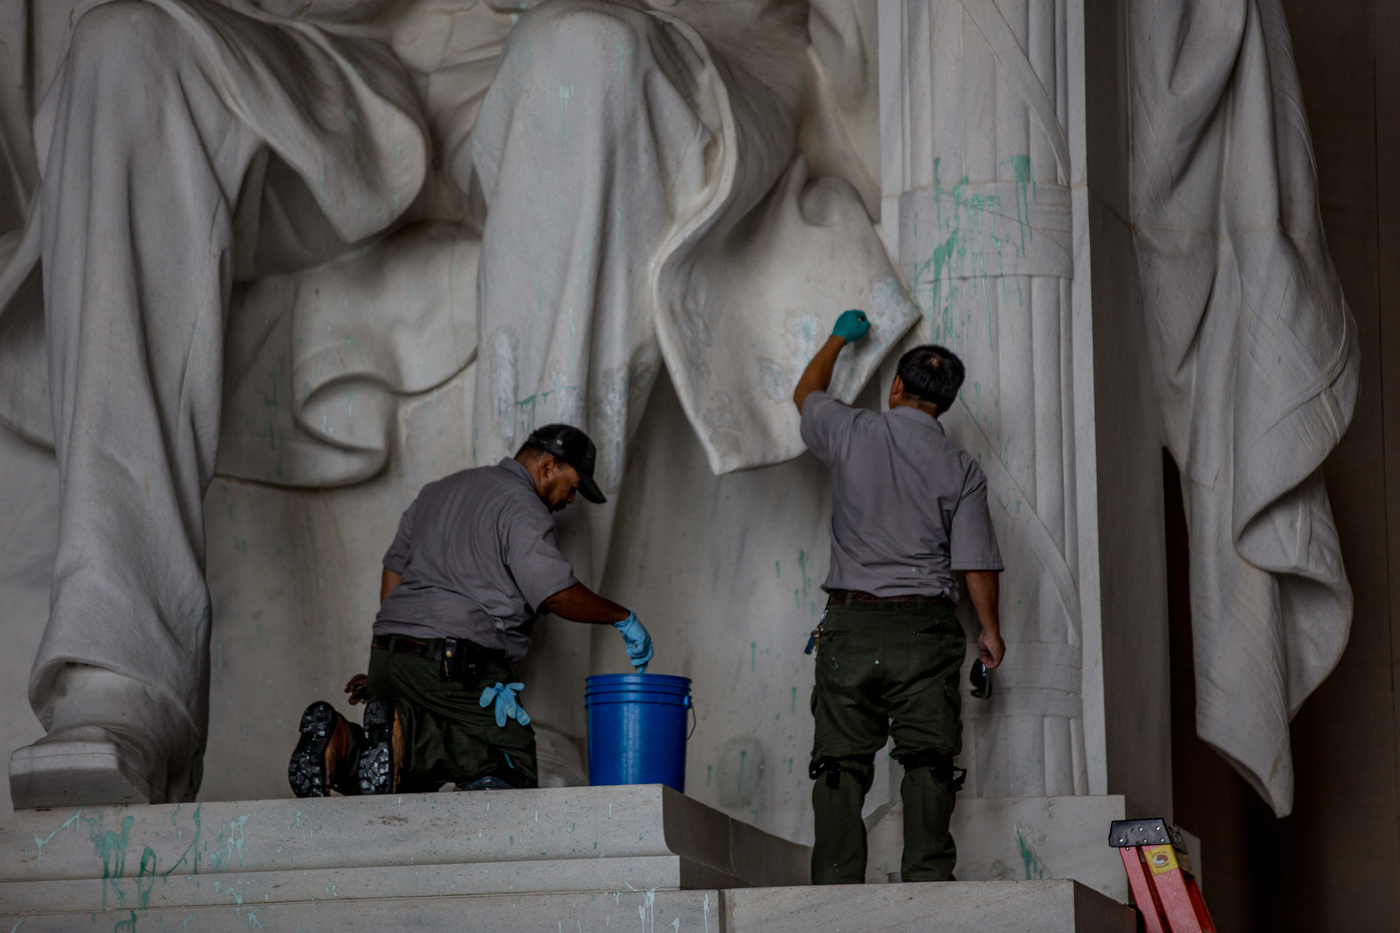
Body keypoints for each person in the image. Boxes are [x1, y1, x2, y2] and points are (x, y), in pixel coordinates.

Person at [287, 424, 652, 796]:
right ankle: (406, 732)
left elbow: (393, 567)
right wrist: (622, 617)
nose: (571, 500)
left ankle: (339, 742)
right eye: (572, 487)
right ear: (547, 468)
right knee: (511, 766)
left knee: (398, 781)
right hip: (453, 666)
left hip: (389, 656)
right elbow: (555, 594)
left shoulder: (438, 491)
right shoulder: (524, 507)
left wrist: (405, 646)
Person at [793, 311, 1006, 883]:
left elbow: (806, 393)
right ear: (946, 404)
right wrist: (989, 631)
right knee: (929, 759)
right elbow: (975, 564)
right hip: (925, 632)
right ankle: (928, 883)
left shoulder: (851, 430)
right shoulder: (960, 467)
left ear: (895, 388)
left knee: (838, 764)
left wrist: (840, 336)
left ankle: (834, 893)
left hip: (850, 627)